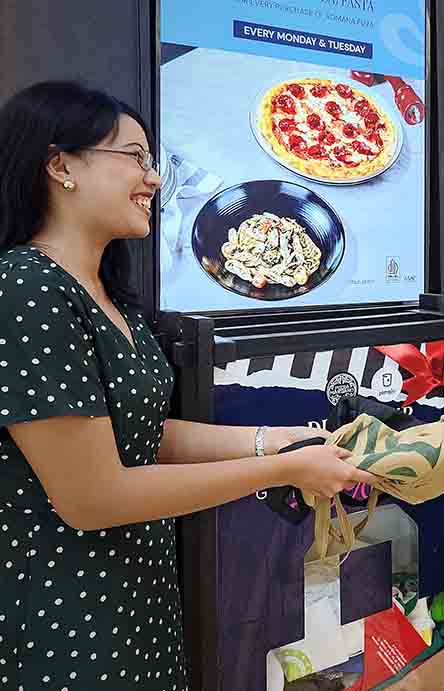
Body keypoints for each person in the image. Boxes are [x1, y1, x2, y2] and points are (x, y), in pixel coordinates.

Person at [0, 81, 375, 691]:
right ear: (60, 165)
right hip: (65, 625)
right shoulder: (25, 287)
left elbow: (142, 436)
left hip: (137, 607)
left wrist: (273, 440)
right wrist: (281, 469)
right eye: (134, 157)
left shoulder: (108, 294)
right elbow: (93, 496)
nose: (153, 179)